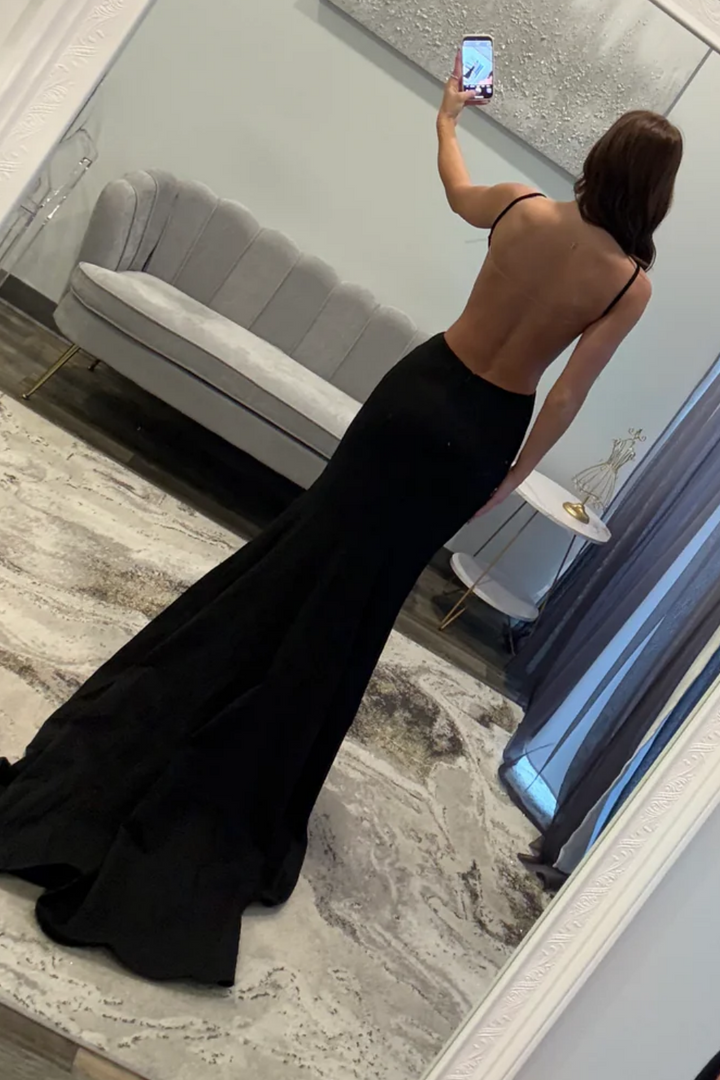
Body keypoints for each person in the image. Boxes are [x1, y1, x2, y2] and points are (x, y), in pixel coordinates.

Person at [0, 56, 683, 986]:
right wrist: (514, 476)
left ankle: (194, 691)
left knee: (305, 549)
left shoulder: (522, 206)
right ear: (658, 191)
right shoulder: (628, 285)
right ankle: (264, 756)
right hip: (480, 434)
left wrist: (448, 119)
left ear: (600, 160)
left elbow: (456, 193)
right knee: (361, 600)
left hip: (415, 394)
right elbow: (567, 393)